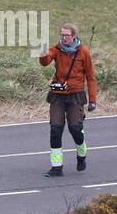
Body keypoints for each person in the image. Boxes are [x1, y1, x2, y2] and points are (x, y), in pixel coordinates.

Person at [38, 23, 97, 177]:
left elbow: (91, 78)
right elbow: (44, 63)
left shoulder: (83, 52)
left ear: (74, 36)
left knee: (75, 129)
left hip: (75, 96)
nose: (63, 38)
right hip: (58, 95)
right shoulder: (56, 49)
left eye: (67, 35)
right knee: (56, 130)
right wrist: (43, 50)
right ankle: (57, 167)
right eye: (62, 35)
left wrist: (92, 100)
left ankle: (81, 155)